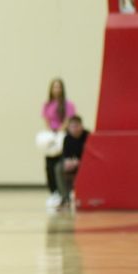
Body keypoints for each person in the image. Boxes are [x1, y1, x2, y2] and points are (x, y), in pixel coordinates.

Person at [42, 78, 76, 210]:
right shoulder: (47, 105)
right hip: (51, 137)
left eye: (59, 87)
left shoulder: (68, 105)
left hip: (62, 137)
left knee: (61, 165)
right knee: (49, 165)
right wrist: (50, 134)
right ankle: (54, 192)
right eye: (54, 87)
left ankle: (66, 193)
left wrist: (59, 132)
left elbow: (68, 120)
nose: (57, 89)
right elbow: (46, 120)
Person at [56, 116, 90, 211]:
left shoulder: (88, 136)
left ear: (81, 126)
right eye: (72, 126)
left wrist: (80, 162)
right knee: (59, 168)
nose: (74, 129)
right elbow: (66, 155)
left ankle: (86, 198)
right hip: (73, 164)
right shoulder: (67, 139)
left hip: (87, 164)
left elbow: (92, 154)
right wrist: (68, 162)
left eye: (76, 126)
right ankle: (65, 198)